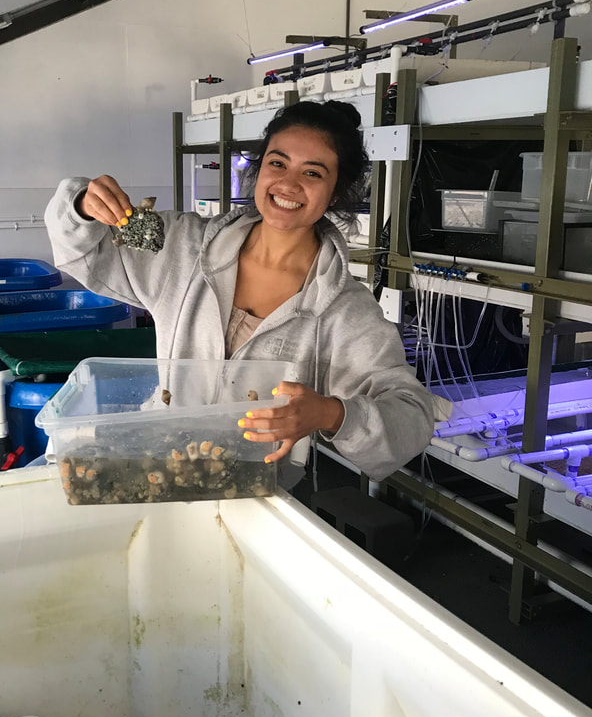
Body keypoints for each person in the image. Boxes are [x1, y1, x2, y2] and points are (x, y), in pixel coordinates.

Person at [44, 99, 449, 482]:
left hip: (256, 484)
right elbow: (85, 253)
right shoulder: (184, 247)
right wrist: (83, 206)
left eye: (313, 172)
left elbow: (411, 416)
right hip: (160, 460)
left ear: (336, 192)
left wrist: (329, 413)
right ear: (259, 169)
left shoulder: (343, 309)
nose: (288, 184)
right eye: (278, 163)